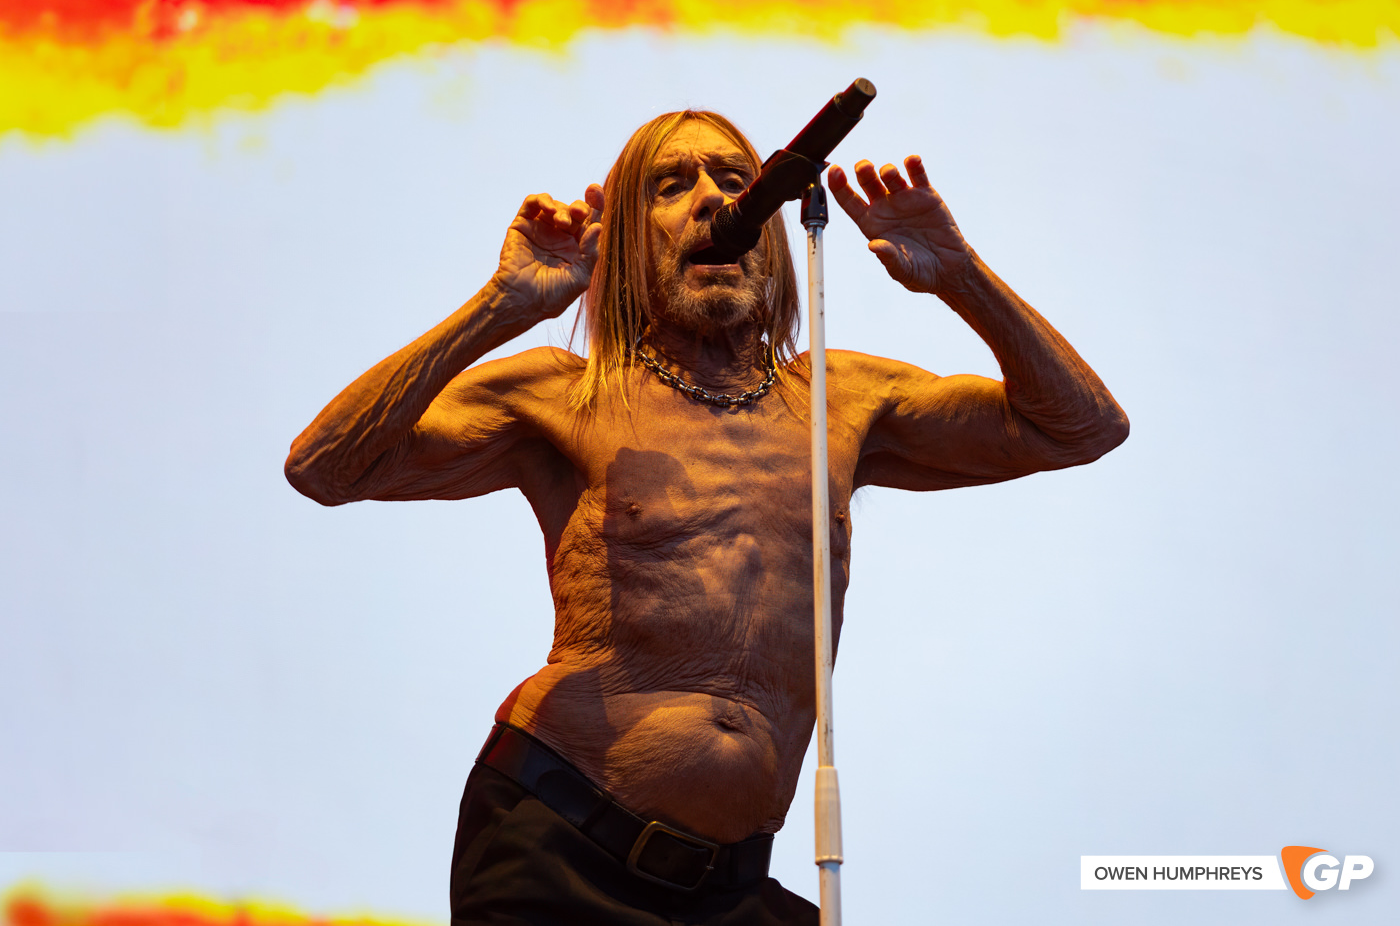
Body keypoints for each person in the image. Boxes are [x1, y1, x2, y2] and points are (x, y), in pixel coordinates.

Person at [285, 109, 1128, 925]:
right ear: (625, 246)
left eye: (734, 179)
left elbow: (1083, 426)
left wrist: (960, 272)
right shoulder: (564, 392)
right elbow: (324, 466)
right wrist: (502, 305)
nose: (714, 202)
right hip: (561, 843)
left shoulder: (841, 399)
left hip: (730, 887)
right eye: (670, 184)